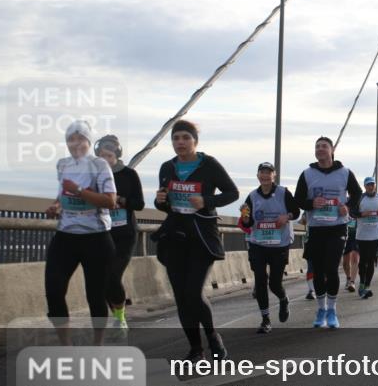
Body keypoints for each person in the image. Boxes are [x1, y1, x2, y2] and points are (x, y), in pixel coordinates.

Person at [153, 120, 238, 361]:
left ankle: (212, 337)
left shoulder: (209, 165)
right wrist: (160, 200)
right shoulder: (167, 167)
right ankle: (195, 349)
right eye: (176, 138)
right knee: (180, 296)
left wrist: (206, 201)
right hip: (175, 236)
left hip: (202, 237)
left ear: (195, 141)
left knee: (193, 293)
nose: (180, 142)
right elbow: (164, 205)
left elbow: (232, 192)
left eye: (185, 138)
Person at [44, 120, 117, 345]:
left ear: (88, 141)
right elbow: (62, 194)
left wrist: (78, 190)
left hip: (95, 238)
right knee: (53, 291)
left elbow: (110, 201)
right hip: (66, 236)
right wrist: (56, 206)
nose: (75, 144)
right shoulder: (63, 164)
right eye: (70, 139)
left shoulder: (100, 165)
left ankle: (98, 345)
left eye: (80, 139)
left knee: (95, 296)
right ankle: (65, 346)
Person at [294, 136, 363, 329]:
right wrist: (310, 204)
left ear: (332, 150)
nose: (320, 149)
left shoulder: (345, 172)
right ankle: (321, 309)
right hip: (316, 228)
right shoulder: (307, 174)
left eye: (324, 146)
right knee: (317, 270)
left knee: (331, 269)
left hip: (337, 227)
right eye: (317, 146)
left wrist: (347, 206)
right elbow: (298, 199)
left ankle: (332, 310)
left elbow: (357, 194)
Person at [239, 162, 300, 334]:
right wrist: (245, 218)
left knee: (274, 283)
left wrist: (286, 216)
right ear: (258, 176)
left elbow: (296, 211)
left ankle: (283, 299)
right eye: (262, 173)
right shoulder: (252, 196)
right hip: (258, 243)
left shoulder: (283, 193)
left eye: (268, 173)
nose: (265, 176)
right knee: (260, 280)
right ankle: (265, 320)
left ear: (274, 175)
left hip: (279, 243)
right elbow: (248, 221)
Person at [94, 134, 143, 337]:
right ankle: (116, 317)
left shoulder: (129, 174)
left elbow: (139, 204)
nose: (105, 159)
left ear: (117, 155)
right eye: (101, 156)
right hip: (101, 233)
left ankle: (120, 319)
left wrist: (120, 200)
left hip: (124, 233)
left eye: (109, 155)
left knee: (114, 274)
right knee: (104, 279)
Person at [355, 176, 378, 300]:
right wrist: (362, 214)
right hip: (362, 235)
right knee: (363, 261)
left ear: (375, 186)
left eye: (372, 184)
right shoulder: (360, 198)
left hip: (376, 235)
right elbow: (352, 212)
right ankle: (362, 281)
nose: (370, 186)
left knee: (371, 260)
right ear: (365, 186)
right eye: (368, 185)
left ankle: (367, 286)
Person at [342, 210, 360, 293]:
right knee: (345, 263)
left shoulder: (359, 203)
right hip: (344, 235)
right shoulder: (343, 201)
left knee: (355, 258)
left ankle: (352, 282)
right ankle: (348, 278)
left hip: (356, 235)